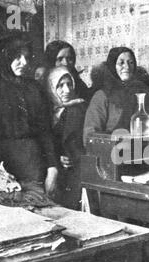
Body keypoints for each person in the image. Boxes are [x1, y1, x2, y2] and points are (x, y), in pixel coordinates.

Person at [0, 32, 58, 197]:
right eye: (17, 57)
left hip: (32, 164)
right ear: (5, 57)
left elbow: (45, 132)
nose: (24, 62)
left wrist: (52, 168)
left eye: (26, 57)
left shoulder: (34, 88)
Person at [83, 47, 149, 142]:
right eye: (121, 63)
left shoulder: (143, 90)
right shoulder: (102, 96)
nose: (127, 67)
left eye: (131, 62)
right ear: (112, 66)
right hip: (113, 149)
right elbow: (90, 134)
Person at [46, 66, 86, 209]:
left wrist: (72, 157)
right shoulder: (46, 111)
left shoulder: (77, 109)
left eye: (69, 84)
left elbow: (81, 144)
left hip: (70, 174)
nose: (67, 90)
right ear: (51, 87)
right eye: (60, 85)